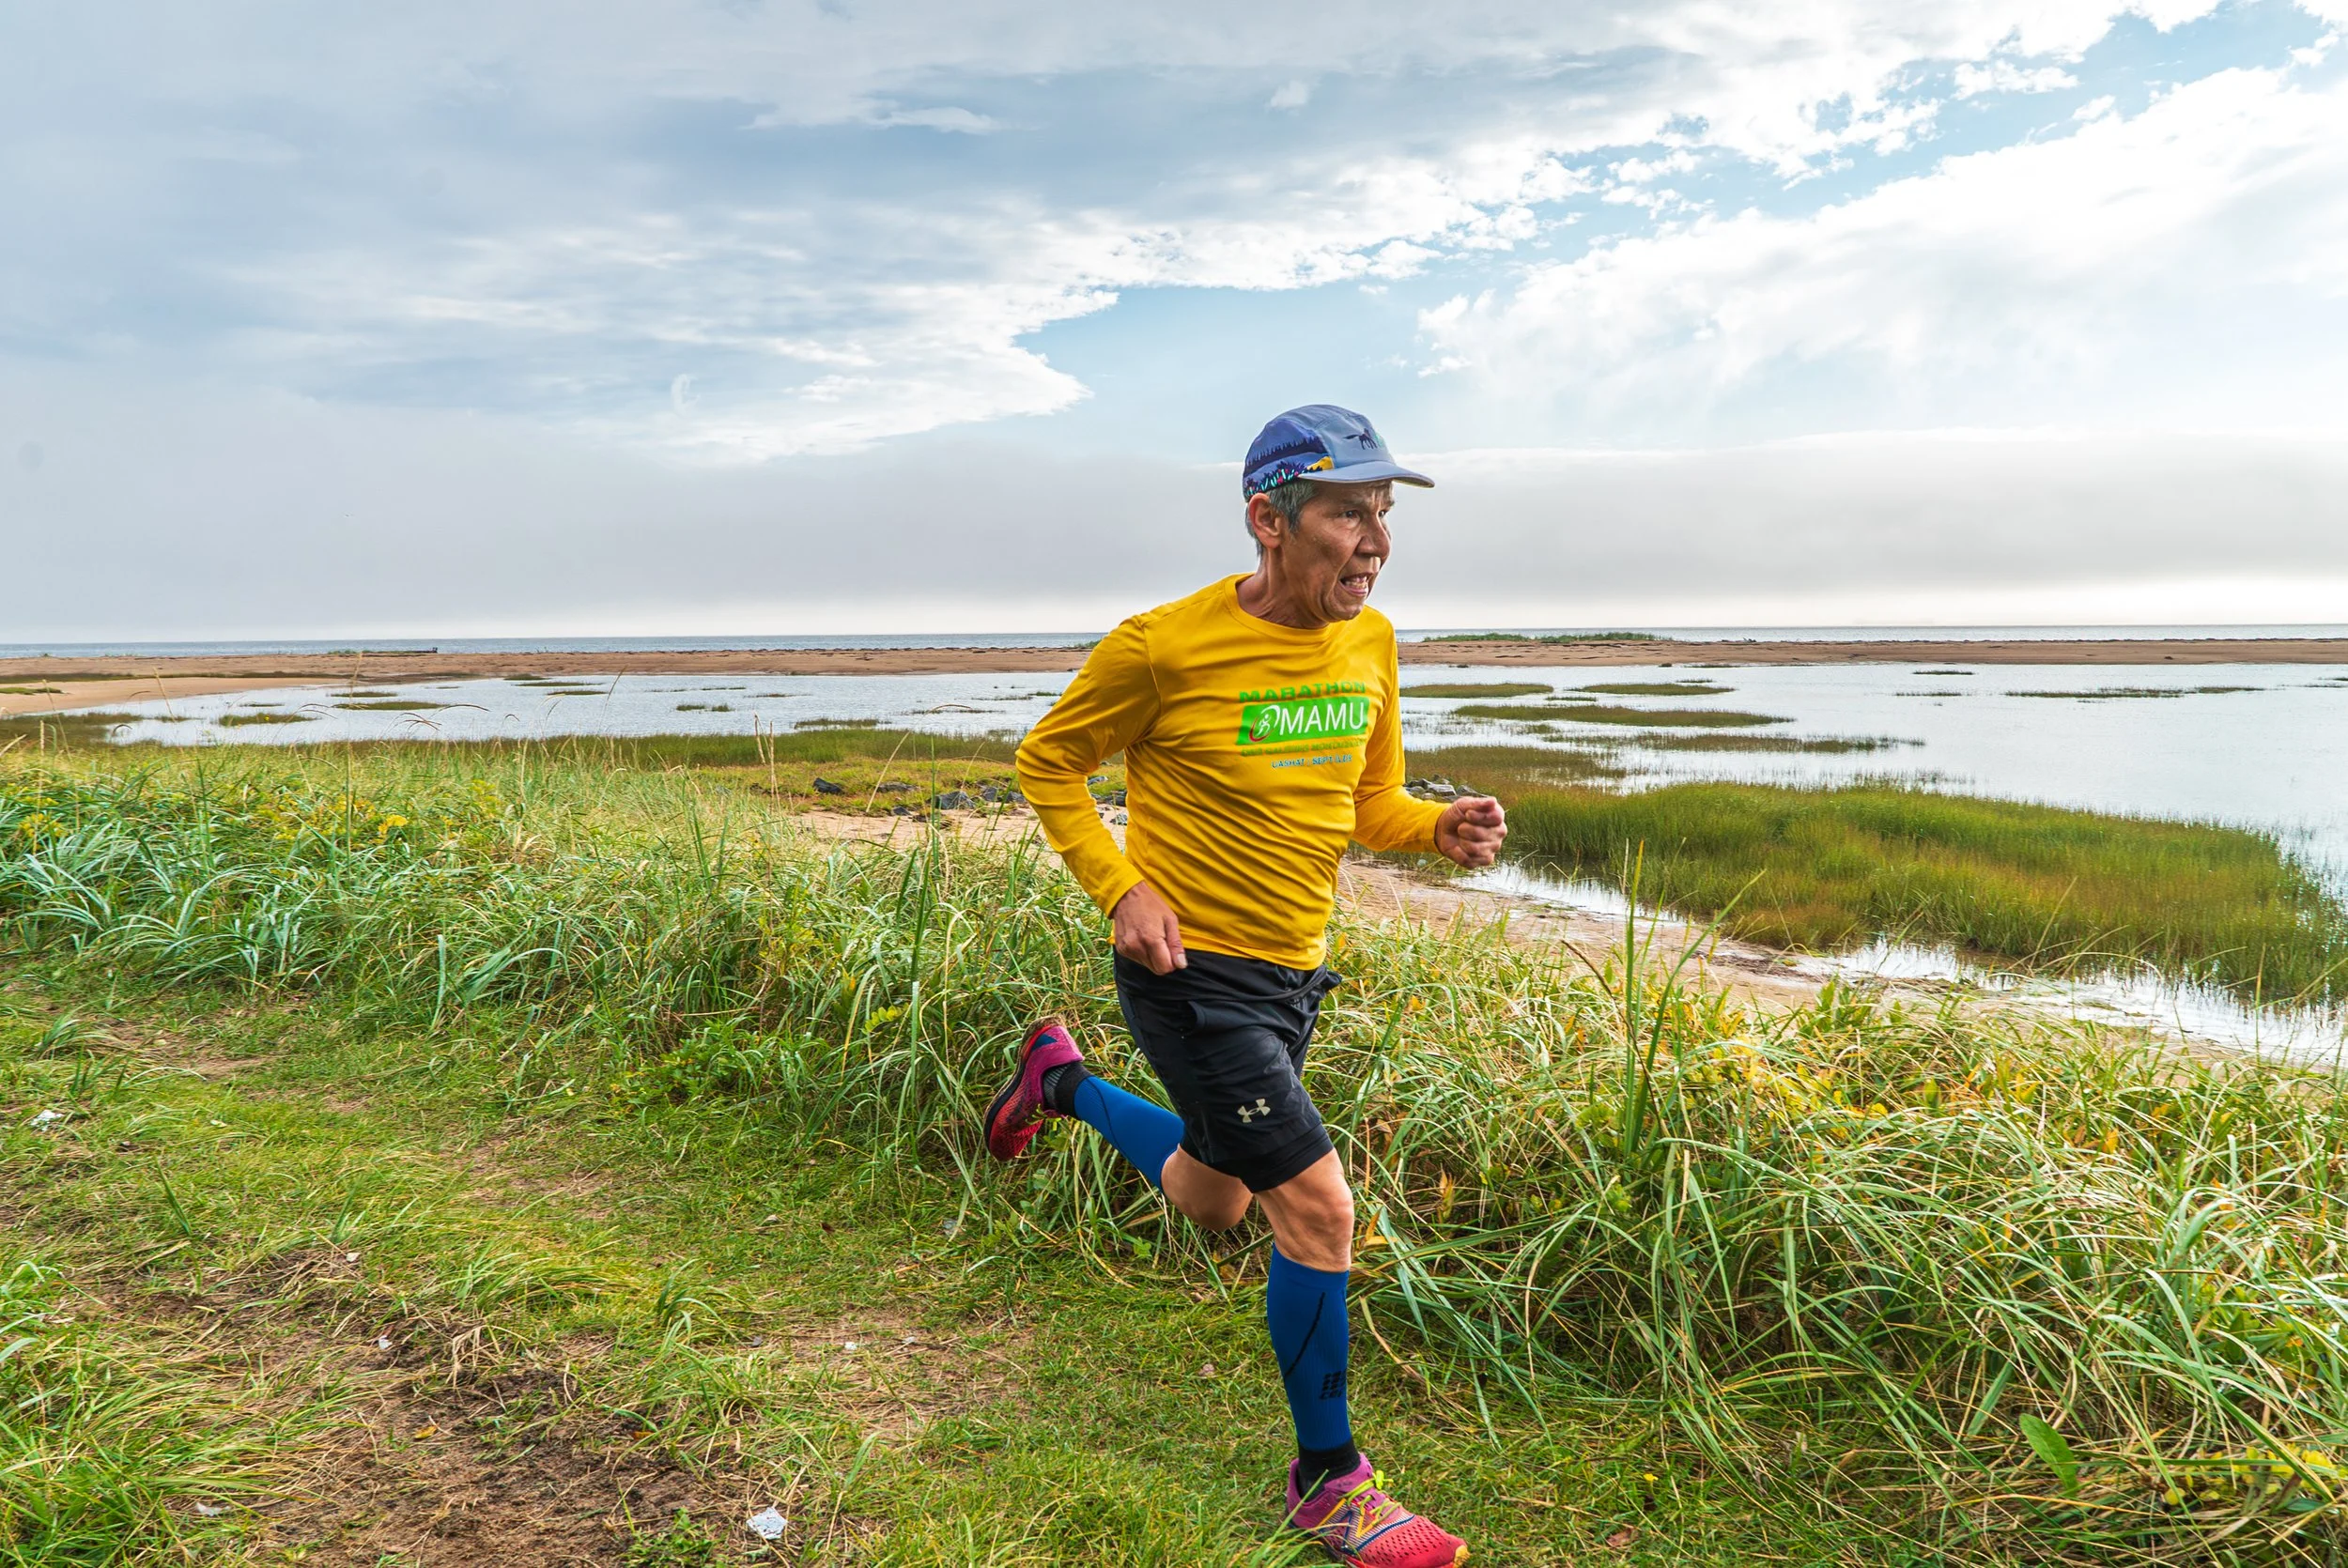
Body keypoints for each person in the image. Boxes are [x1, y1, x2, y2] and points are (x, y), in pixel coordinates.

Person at [983, 405, 1507, 1568]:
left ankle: (1059, 1083)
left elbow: (1369, 805)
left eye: (1383, 512)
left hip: (1291, 975)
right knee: (1316, 1208)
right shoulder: (1161, 646)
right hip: (1189, 974)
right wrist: (1121, 886)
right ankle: (1330, 1482)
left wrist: (1439, 826)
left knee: (1212, 1196)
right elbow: (1047, 761)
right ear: (1268, 521)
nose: (1372, 539)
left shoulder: (1368, 642)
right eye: (1345, 512)